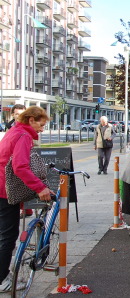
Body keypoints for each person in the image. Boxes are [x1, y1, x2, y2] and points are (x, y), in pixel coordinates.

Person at [0, 106, 54, 292]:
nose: (42, 129)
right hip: (5, 191)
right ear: (31, 120)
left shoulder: (14, 131)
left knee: (3, 235)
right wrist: (40, 188)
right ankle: (2, 280)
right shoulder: (23, 136)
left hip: (1, 187)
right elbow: (20, 167)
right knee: (8, 237)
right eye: (41, 124)